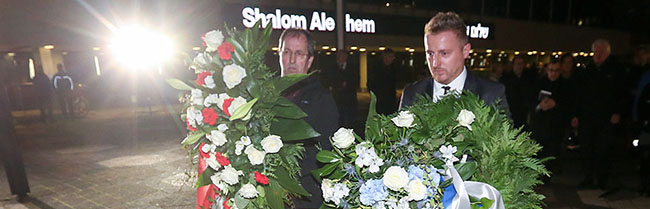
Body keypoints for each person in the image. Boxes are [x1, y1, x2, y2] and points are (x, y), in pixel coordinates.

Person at [399, 12, 509, 113]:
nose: (435, 64)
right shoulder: (411, 94)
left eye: (444, 53)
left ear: (465, 51)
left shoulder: (491, 94)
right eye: (430, 54)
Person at [278, 28, 339, 209]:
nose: (291, 60)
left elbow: (326, 153)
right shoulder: (265, 94)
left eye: (299, 54)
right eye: (286, 52)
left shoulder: (322, 99)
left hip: (305, 198)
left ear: (310, 60)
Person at [574, 39, 625, 190]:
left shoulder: (616, 70)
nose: (597, 54)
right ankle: (588, 177)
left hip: (606, 118)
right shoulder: (587, 70)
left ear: (607, 53)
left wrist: (618, 112)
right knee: (587, 149)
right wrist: (576, 115)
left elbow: (622, 94)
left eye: (600, 51)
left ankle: (602, 178)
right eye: (595, 51)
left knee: (603, 150)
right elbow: (579, 94)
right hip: (588, 118)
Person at [530, 60, 566, 175]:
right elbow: (529, 102)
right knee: (538, 151)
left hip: (555, 125)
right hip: (539, 125)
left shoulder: (564, 85)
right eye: (551, 70)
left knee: (553, 151)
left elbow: (570, 104)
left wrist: (556, 104)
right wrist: (539, 105)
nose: (553, 73)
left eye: (556, 71)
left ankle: (549, 174)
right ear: (546, 70)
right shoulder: (538, 83)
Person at [500, 56, 535, 130]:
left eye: (521, 64)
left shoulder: (528, 79)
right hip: (511, 112)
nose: (519, 66)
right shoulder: (506, 79)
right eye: (517, 64)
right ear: (513, 65)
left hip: (524, 113)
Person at [330, 51, 359, 128]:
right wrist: (338, 85)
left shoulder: (352, 67)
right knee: (339, 119)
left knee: (351, 120)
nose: (342, 57)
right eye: (340, 55)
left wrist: (348, 84)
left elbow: (356, 80)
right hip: (337, 99)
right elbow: (329, 80)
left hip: (350, 98)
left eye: (343, 56)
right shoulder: (332, 67)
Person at [368, 48, 398, 114]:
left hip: (390, 100)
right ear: (385, 57)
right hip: (380, 100)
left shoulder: (392, 69)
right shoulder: (376, 69)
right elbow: (371, 84)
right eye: (391, 56)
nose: (393, 58)